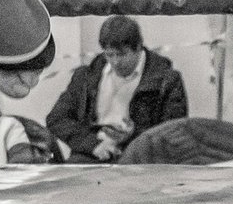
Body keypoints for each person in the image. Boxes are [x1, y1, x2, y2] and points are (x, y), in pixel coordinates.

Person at [46, 15, 188, 162]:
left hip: (141, 155)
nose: (115, 62)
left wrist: (133, 135)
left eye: (122, 54)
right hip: (93, 151)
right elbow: (56, 119)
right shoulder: (86, 77)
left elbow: (174, 133)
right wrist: (93, 144)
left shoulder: (167, 80)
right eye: (109, 55)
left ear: (138, 47)